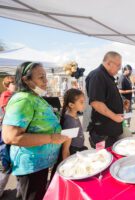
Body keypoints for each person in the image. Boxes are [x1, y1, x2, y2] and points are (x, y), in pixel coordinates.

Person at [1, 62, 69, 200]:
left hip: (41, 165)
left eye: (45, 76)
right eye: (41, 77)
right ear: (26, 80)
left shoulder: (35, 97)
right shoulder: (22, 100)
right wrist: (51, 138)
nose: (46, 81)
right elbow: (10, 137)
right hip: (31, 168)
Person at [86, 51, 124, 148]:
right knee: (106, 159)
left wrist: (121, 103)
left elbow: (107, 98)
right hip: (104, 132)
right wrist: (114, 116)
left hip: (111, 130)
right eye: (118, 65)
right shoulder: (97, 75)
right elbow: (96, 103)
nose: (119, 69)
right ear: (108, 63)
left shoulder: (107, 76)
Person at [0, 76, 20, 198]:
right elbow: (9, 110)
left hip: (12, 132)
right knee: (6, 164)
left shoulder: (14, 95)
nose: (16, 85)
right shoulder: (6, 95)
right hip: (6, 134)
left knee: (17, 162)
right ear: (7, 85)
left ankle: (20, 192)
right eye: (13, 83)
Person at [60, 88, 88, 159]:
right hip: (73, 152)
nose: (84, 104)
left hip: (78, 149)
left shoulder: (74, 115)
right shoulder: (70, 122)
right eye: (81, 102)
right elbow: (65, 149)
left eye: (84, 102)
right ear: (71, 105)